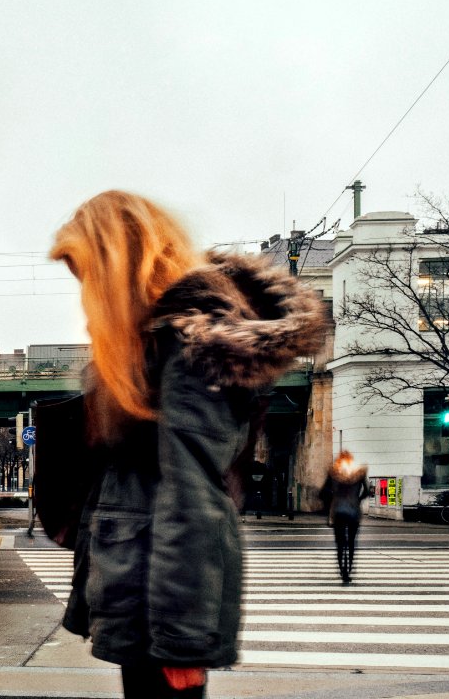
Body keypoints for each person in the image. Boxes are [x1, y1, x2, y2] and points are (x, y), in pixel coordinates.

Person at [50, 191, 326, 699]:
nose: (86, 295)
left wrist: (182, 644)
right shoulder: (157, 343)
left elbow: (193, 499)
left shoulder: (186, 350)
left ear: (118, 271)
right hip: (143, 598)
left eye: (88, 277)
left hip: (160, 612)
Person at [320, 451, 368, 583]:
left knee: (340, 543)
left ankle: (343, 570)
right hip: (353, 512)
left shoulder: (334, 473)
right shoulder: (359, 473)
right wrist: (357, 500)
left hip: (338, 511)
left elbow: (323, 492)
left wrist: (332, 498)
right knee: (352, 542)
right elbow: (367, 492)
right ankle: (350, 568)